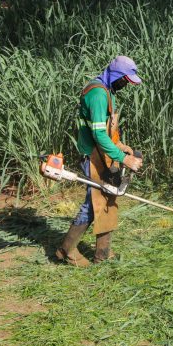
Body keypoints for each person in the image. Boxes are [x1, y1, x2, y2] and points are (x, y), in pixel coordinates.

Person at [56, 56, 143, 267]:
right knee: (92, 204)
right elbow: (98, 135)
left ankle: (102, 253)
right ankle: (66, 250)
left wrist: (121, 146)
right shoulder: (97, 94)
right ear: (115, 76)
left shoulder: (106, 90)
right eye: (124, 80)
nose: (125, 84)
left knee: (108, 200)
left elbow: (105, 130)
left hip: (102, 153)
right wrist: (124, 159)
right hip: (92, 155)